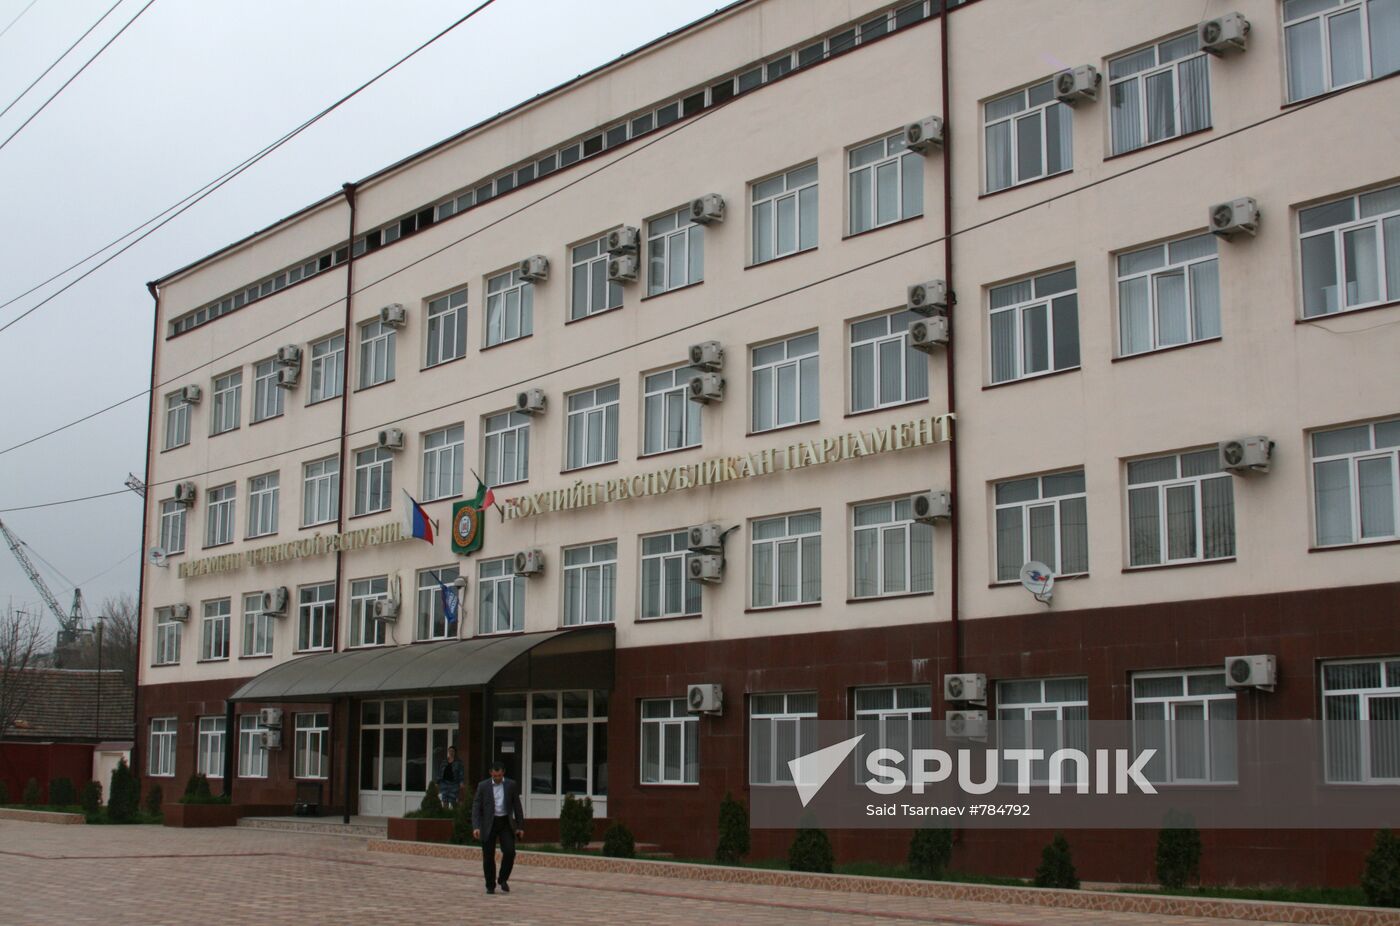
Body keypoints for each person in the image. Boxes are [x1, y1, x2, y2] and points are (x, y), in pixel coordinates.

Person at [471, 760, 524, 894]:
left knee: (510, 852)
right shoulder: (483, 786)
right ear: (491, 773)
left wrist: (520, 826)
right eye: (495, 776)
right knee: (488, 856)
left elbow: (517, 806)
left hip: (505, 822)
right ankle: (490, 885)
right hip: (488, 823)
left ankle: (503, 879)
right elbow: (476, 807)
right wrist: (476, 826)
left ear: (503, 773)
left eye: (499, 776)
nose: (497, 778)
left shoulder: (511, 785)